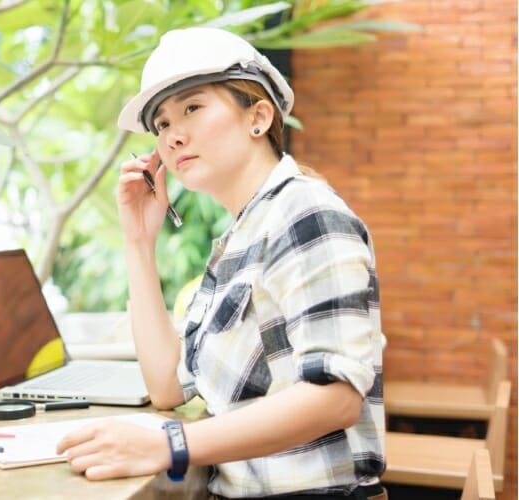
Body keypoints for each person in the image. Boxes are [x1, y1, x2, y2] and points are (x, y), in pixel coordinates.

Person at [57, 27, 386, 500]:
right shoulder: (241, 237)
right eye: (162, 125)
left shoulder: (306, 213)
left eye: (192, 108)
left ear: (258, 116)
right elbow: (168, 387)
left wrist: (170, 443)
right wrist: (138, 241)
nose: (173, 135)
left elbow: (335, 398)